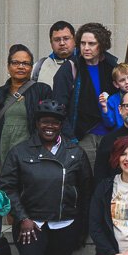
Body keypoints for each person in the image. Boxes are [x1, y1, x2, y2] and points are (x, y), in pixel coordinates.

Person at [0, 98, 92, 255]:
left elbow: (85, 191)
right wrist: (23, 218)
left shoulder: (75, 153)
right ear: (37, 124)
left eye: (54, 122)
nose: (49, 126)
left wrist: (82, 229)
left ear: (61, 125)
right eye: (44, 122)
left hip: (65, 224)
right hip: (32, 224)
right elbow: (7, 187)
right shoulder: (20, 151)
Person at [50, 22, 117, 159]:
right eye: (82, 43)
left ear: (101, 45)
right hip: (83, 135)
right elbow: (59, 107)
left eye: (91, 44)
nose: (86, 48)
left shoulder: (111, 66)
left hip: (110, 133)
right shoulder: (69, 68)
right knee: (86, 177)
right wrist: (71, 138)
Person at [0, 45, 40, 179]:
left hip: (31, 157)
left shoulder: (41, 91)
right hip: (1, 158)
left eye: (25, 63)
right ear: (8, 67)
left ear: (31, 68)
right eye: (15, 63)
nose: (20, 66)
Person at [33, 21, 76, 88]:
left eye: (66, 38)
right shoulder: (38, 67)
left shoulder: (86, 64)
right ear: (51, 42)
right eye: (57, 40)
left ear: (75, 40)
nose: (62, 43)